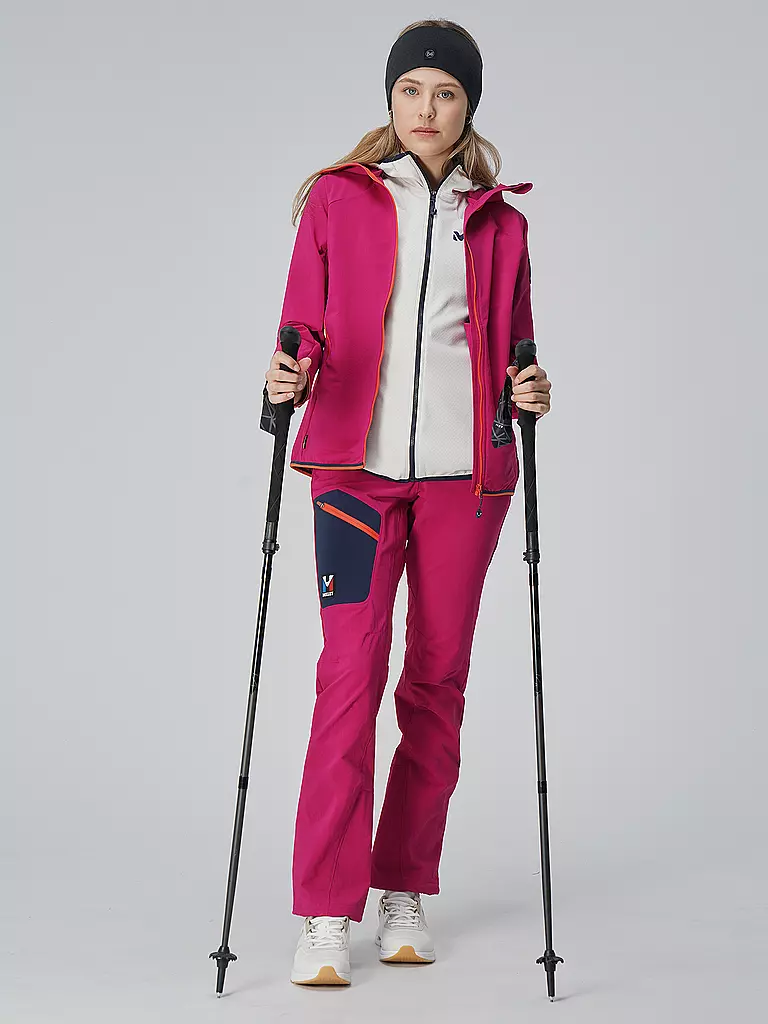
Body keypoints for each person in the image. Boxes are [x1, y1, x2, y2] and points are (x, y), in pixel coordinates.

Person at [260, 18, 552, 987]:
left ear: (470, 107)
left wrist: (529, 389)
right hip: (353, 473)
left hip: (468, 484)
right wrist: (287, 375)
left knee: (436, 684)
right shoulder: (338, 199)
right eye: (412, 90)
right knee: (348, 677)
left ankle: (404, 888)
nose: (427, 109)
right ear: (390, 99)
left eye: (447, 93)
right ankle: (324, 910)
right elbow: (299, 326)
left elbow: (514, 350)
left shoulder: (501, 224)